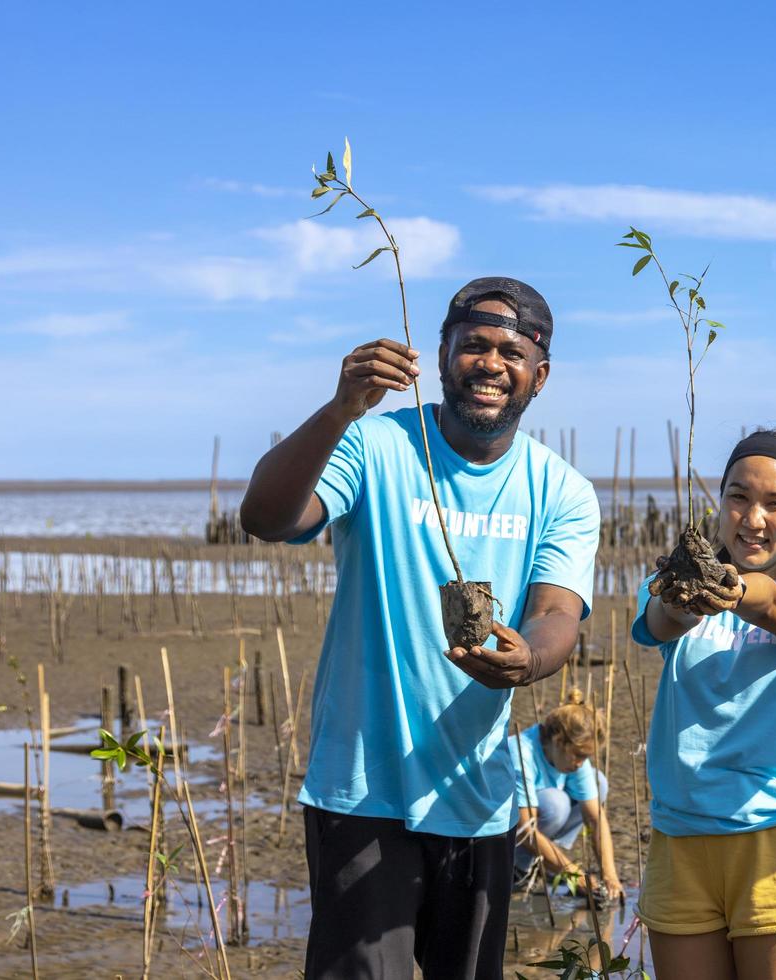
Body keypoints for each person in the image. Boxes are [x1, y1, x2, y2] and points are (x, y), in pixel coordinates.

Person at [239, 277, 600, 980]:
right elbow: (266, 517)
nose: (490, 364)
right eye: (472, 346)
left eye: (510, 351)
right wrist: (341, 408)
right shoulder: (374, 444)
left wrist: (527, 661)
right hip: (362, 790)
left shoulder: (563, 490)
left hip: (480, 796)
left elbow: (558, 614)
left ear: (540, 375)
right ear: (440, 354)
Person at [632, 430, 776, 980]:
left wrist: (733, 589)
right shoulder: (669, 589)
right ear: (720, 502)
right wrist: (689, 593)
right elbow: (663, 620)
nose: (753, 518)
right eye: (738, 497)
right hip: (678, 842)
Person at [509, 689, 622, 901]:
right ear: (559, 741)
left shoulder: (571, 757)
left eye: (585, 757)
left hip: (541, 832)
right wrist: (573, 874)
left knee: (599, 783)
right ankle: (520, 870)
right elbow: (525, 830)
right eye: (578, 756)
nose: (581, 763)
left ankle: (549, 865)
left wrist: (610, 876)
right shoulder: (521, 753)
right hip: (508, 841)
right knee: (556, 804)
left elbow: (596, 819)